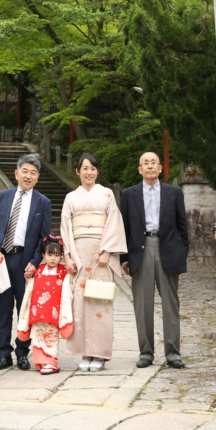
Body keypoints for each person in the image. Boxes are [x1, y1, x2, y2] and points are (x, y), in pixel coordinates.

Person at [120, 151, 189, 369]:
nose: (150, 166)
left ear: (160, 168)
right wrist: (124, 258)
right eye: (145, 163)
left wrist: (181, 254)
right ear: (139, 169)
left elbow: (183, 226)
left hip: (167, 248)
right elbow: (124, 228)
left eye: (153, 163)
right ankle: (146, 352)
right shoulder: (128, 194)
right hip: (140, 250)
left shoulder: (174, 192)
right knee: (142, 304)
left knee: (170, 303)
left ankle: (173, 353)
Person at [61, 153, 127, 372]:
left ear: (97, 172)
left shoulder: (107, 194)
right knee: (78, 305)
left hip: (100, 255)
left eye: (93, 168)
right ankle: (85, 353)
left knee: (100, 302)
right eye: (85, 168)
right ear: (77, 171)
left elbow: (114, 223)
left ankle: (99, 354)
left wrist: (107, 251)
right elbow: (65, 228)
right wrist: (68, 257)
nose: (89, 172)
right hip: (79, 254)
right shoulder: (71, 197)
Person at [0, 153, 52, 371]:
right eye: (25, 171)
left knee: (24, 309)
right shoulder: (3, 196)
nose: (28, 175)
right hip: (3, 258)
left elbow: (44, 238)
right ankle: (4, 353)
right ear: (16, 173)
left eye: (33, 173)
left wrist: (35, 262)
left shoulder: (43, 202)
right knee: (3, 308)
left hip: (25, 261)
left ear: (37, 177)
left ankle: (22, 352)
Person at [16, 236, 73, 374]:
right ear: (43, 255)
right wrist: (28, 278)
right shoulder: (39, 269)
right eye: (50, 255)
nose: (53, 258)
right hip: (38, 310)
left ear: (61, 256)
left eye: (57, 255)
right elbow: (31, 287)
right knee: (38, 337)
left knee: (51, 336)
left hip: (53, 311)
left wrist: (70, 274)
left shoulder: (62, 271)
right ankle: (41, 362)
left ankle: (52, 362)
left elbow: (69, 286)